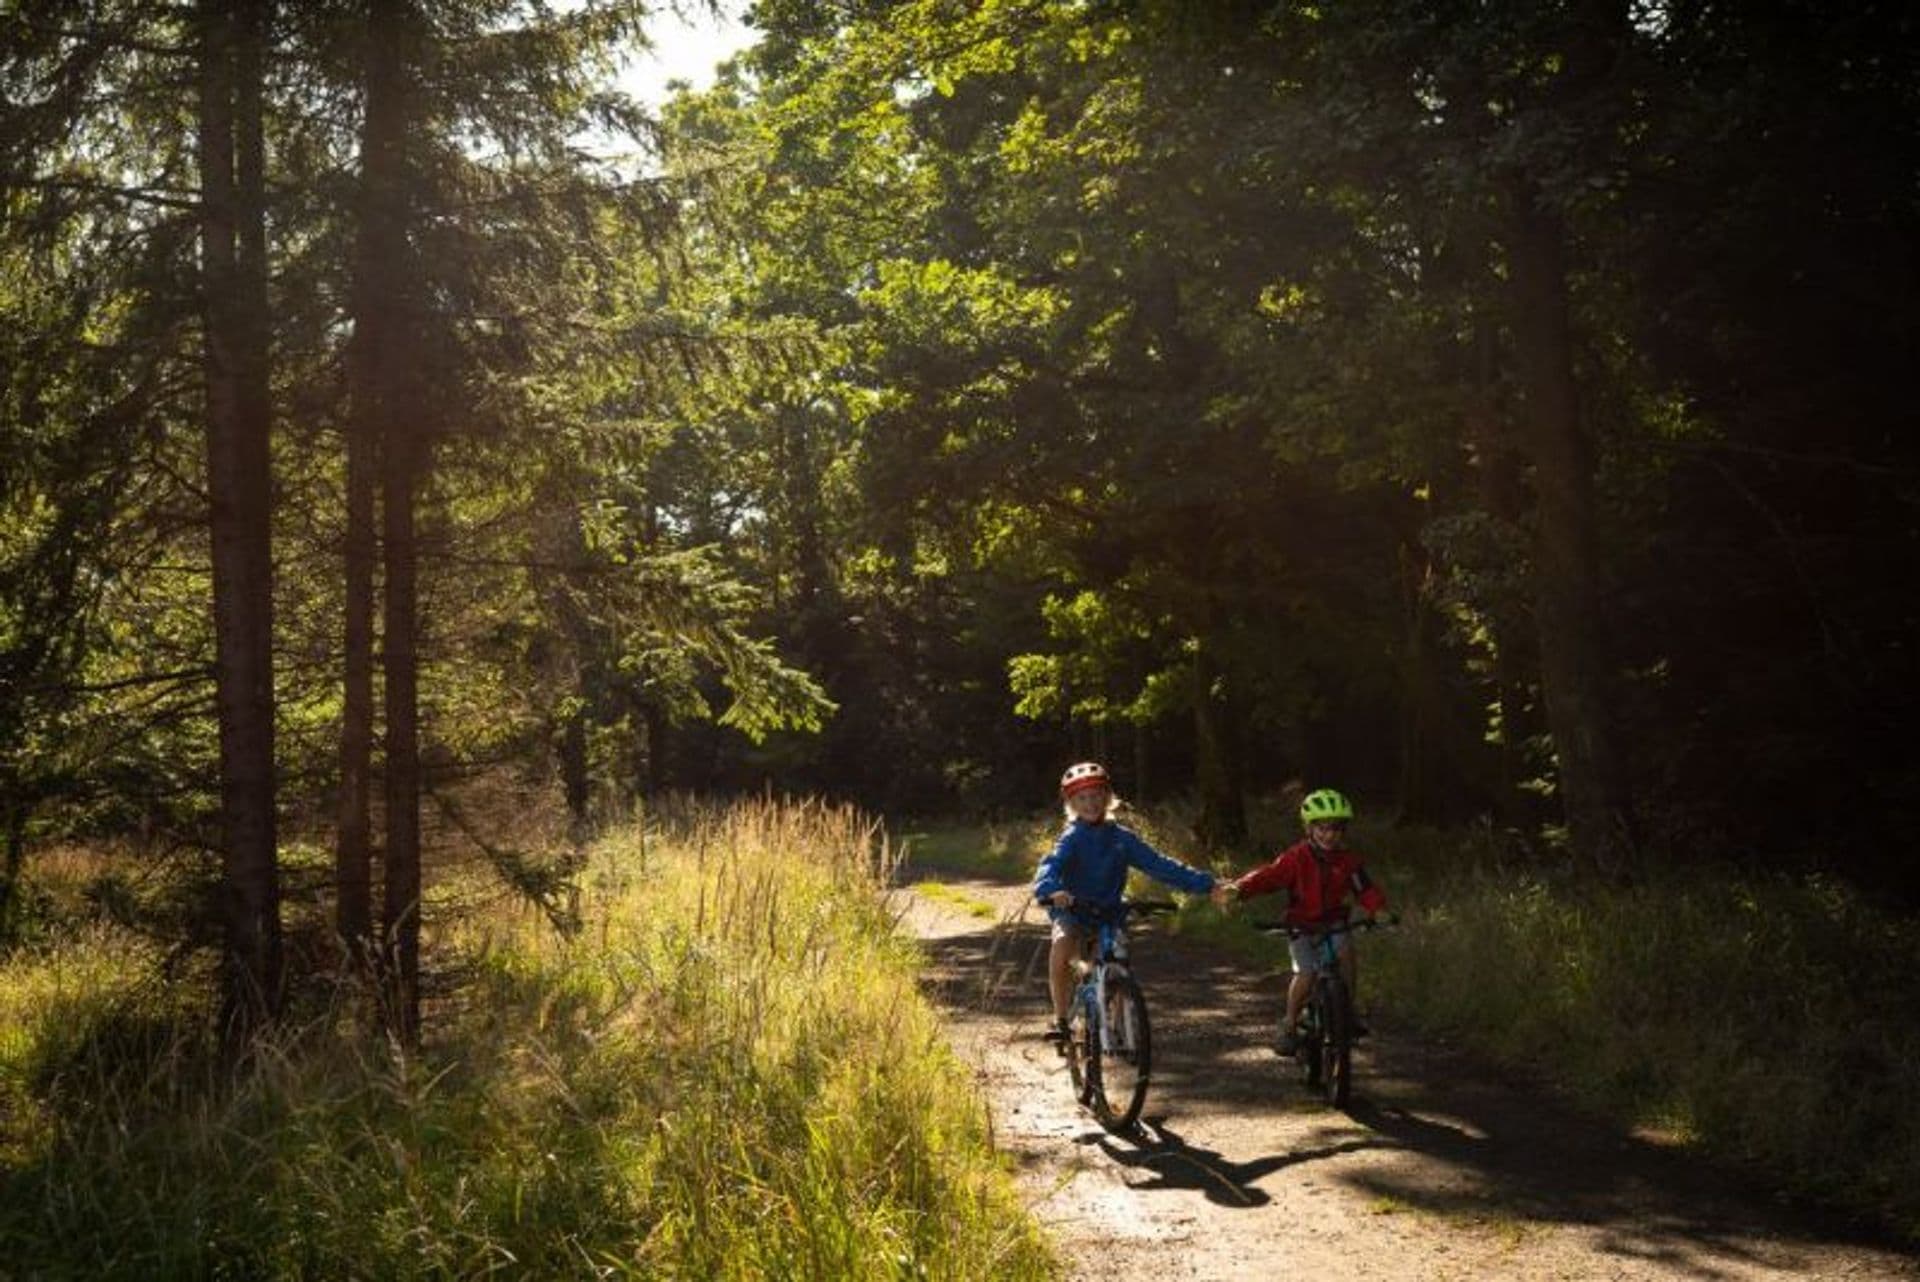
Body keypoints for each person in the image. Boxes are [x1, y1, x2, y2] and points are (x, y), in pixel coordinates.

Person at [1032, 761, 1218, 1041]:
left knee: (1115, 961)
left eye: (1096, 796)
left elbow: (1160, 865)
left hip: (1109, 911)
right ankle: (1061, 1020)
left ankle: (1118, 1027)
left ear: (1108, 798)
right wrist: (1051, 890)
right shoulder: (1071, 838)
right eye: (1082, 798)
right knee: (1061, 948)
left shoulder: (1122, 839)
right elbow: (1050, 866)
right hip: (1073, 909)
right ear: (1071, 803)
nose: (1091, 803)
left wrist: (1207, 884)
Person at [1211, 787, 1388, 1055]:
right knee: (1306, 974)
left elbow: (1365, 889)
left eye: (1337, 829)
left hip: (1333, 923)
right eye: (1323, 829)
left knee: (1347, 956)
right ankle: (1290, 1023)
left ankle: (1347, 1012)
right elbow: (1268, 877)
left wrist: (1378, 909)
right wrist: (1240, 890)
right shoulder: (1297, 857)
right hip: (1301, 925)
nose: (1330, 835)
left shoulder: (1349, 861)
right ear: (1309, 829)